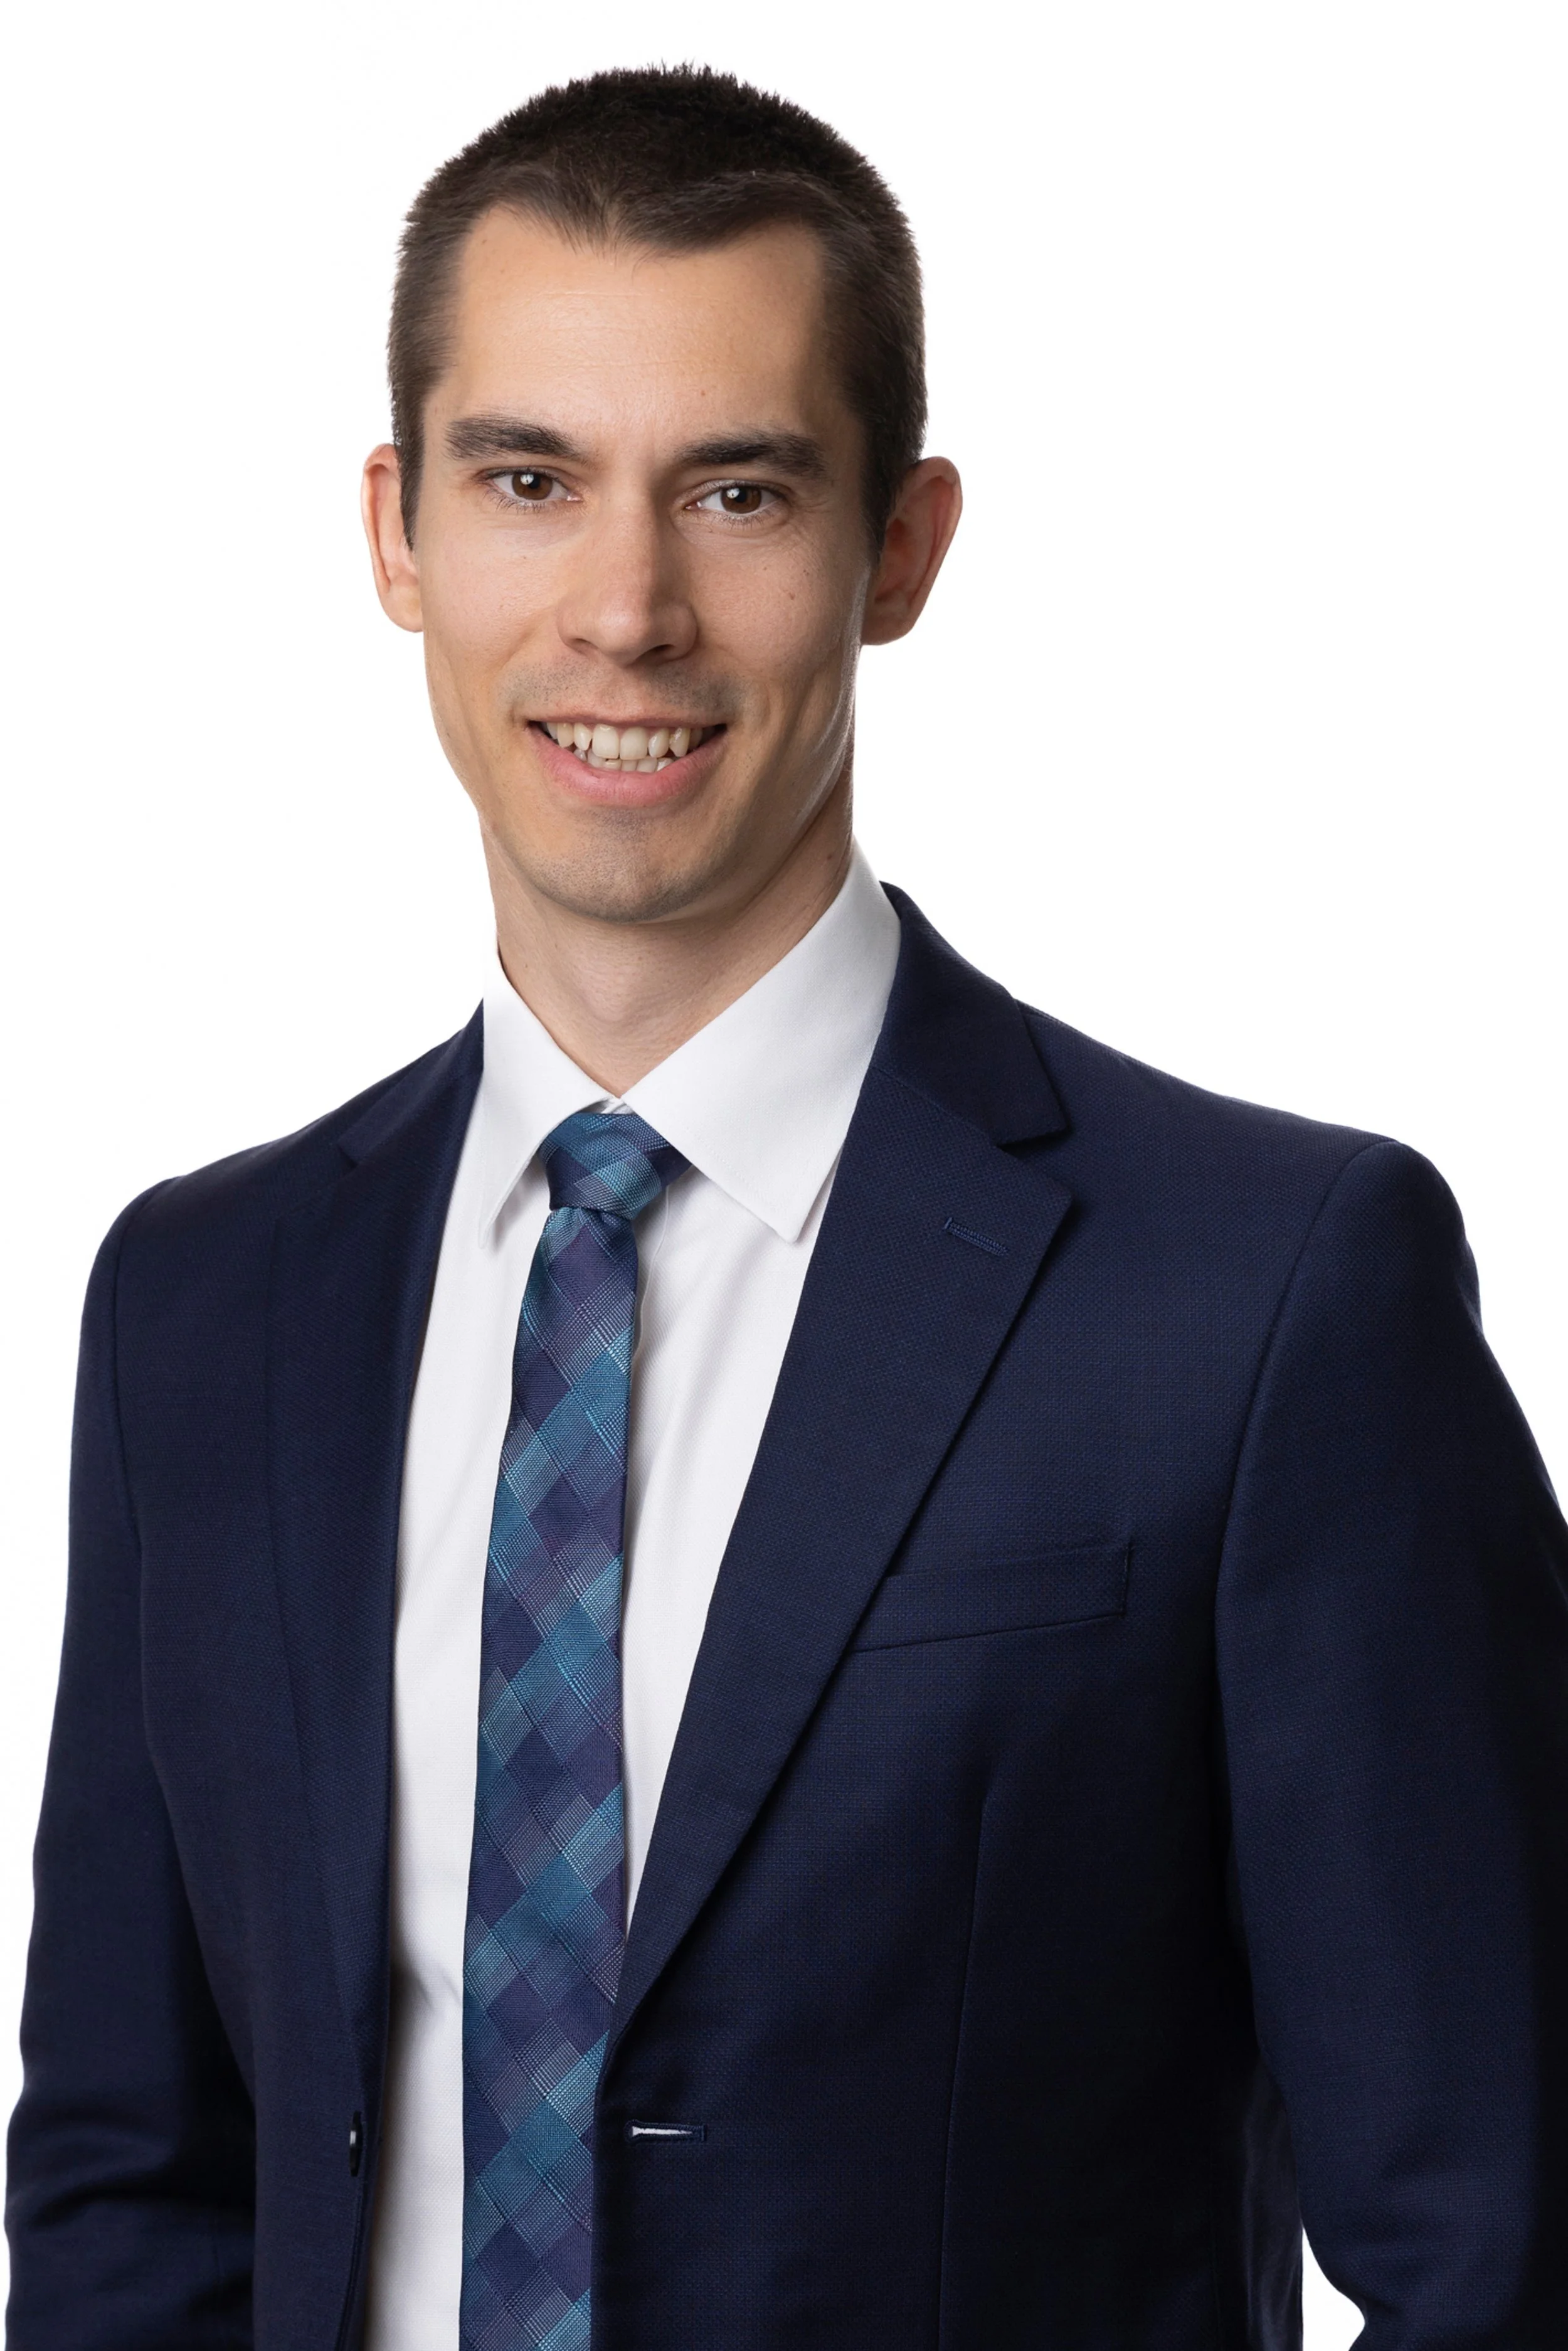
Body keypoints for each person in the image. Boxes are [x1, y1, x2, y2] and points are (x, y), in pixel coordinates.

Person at [6, 61, 1567, 2351]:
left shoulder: (1259, 1295)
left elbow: (1502, 2239)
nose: (623, 608)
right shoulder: (206, 1302)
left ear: (901, 546)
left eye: (735, 490)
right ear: (397, 532)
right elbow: (132, 2176)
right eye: (528, 480)